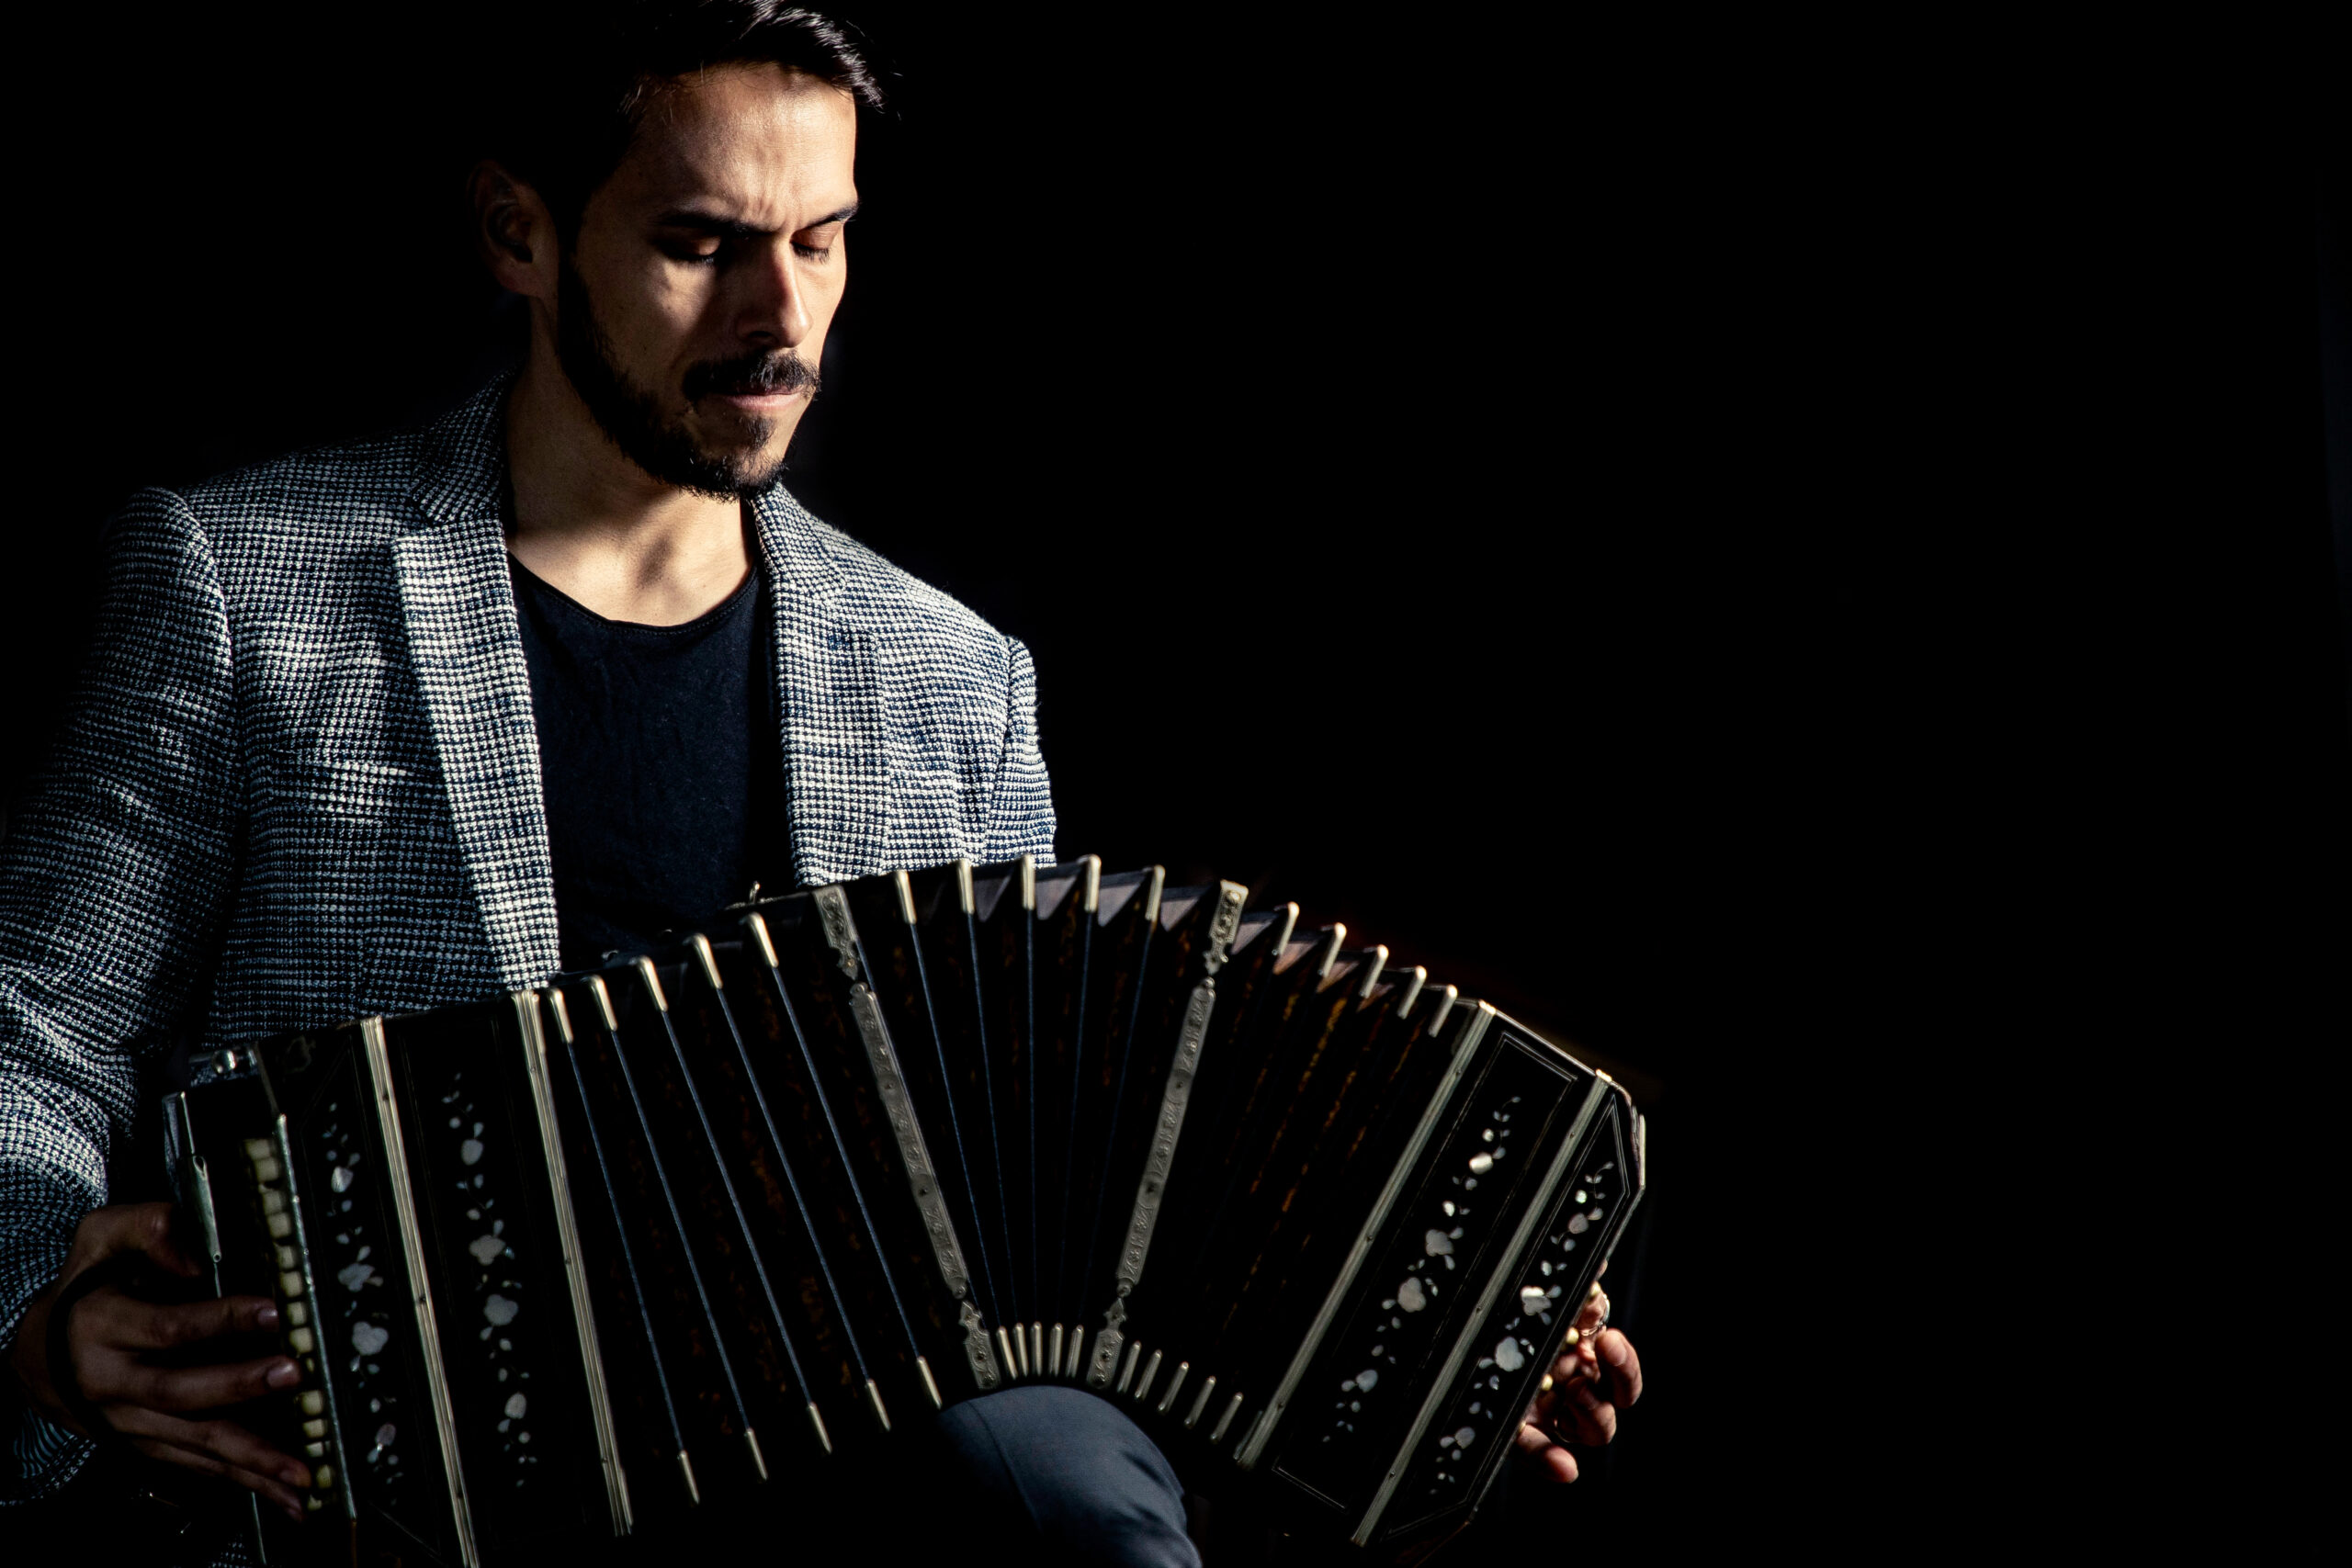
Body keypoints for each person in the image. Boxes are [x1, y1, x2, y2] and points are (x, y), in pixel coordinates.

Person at [0, 5, 1639, 1562]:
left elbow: (1086, 1238)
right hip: (402, 1499)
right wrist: (44, 1320)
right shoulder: (240, 586)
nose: (779, 317)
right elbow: (34, 1043)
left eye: (821, 240)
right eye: (701, 244)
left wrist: (1442, 1364)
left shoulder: (955, 682)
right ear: (518, 232)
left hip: (862, 1495)